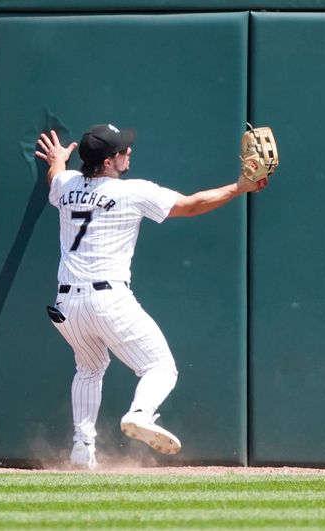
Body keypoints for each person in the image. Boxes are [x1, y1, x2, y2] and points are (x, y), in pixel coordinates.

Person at [35, 124, 268, 469]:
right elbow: (190, 206)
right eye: (123, 149)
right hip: (107, 300)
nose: (129, 152)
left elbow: (55, 176)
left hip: (67, 306)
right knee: (160, 367)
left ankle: (82, 449)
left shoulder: (66, 185)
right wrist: (239, 187)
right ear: (110, 160)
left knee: (89, 368)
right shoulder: (132, 192)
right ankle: (140, 414)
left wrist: (57, 160)